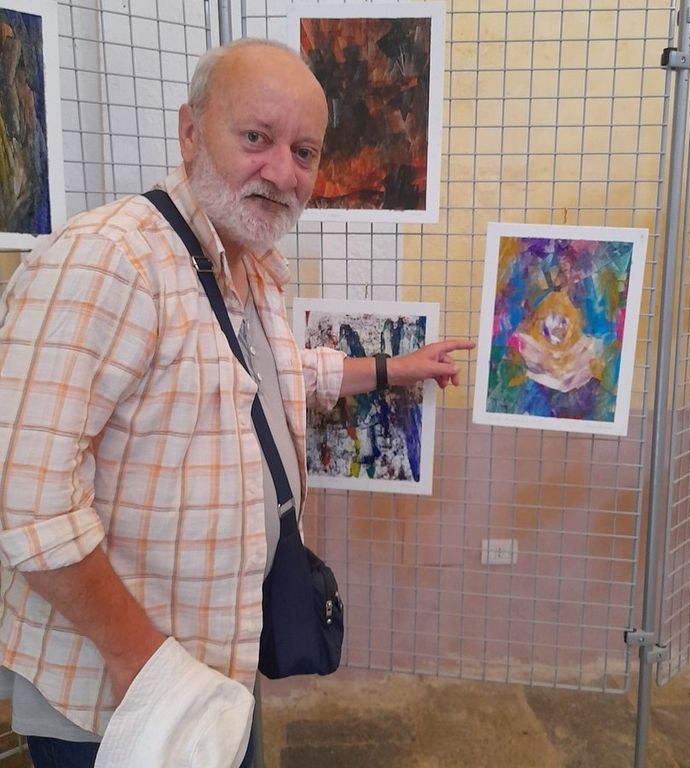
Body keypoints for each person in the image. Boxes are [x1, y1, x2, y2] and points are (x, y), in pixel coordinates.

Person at [0, 37, 474, 766]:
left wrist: (394, 368)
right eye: (256, 137)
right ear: (191, 132)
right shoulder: (109, 260)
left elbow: (273, 378)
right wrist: (140, 663)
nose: (282, 173)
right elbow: (25, 498)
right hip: (118, 703)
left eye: (304, 152)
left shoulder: (242, 266)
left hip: (213, 674)